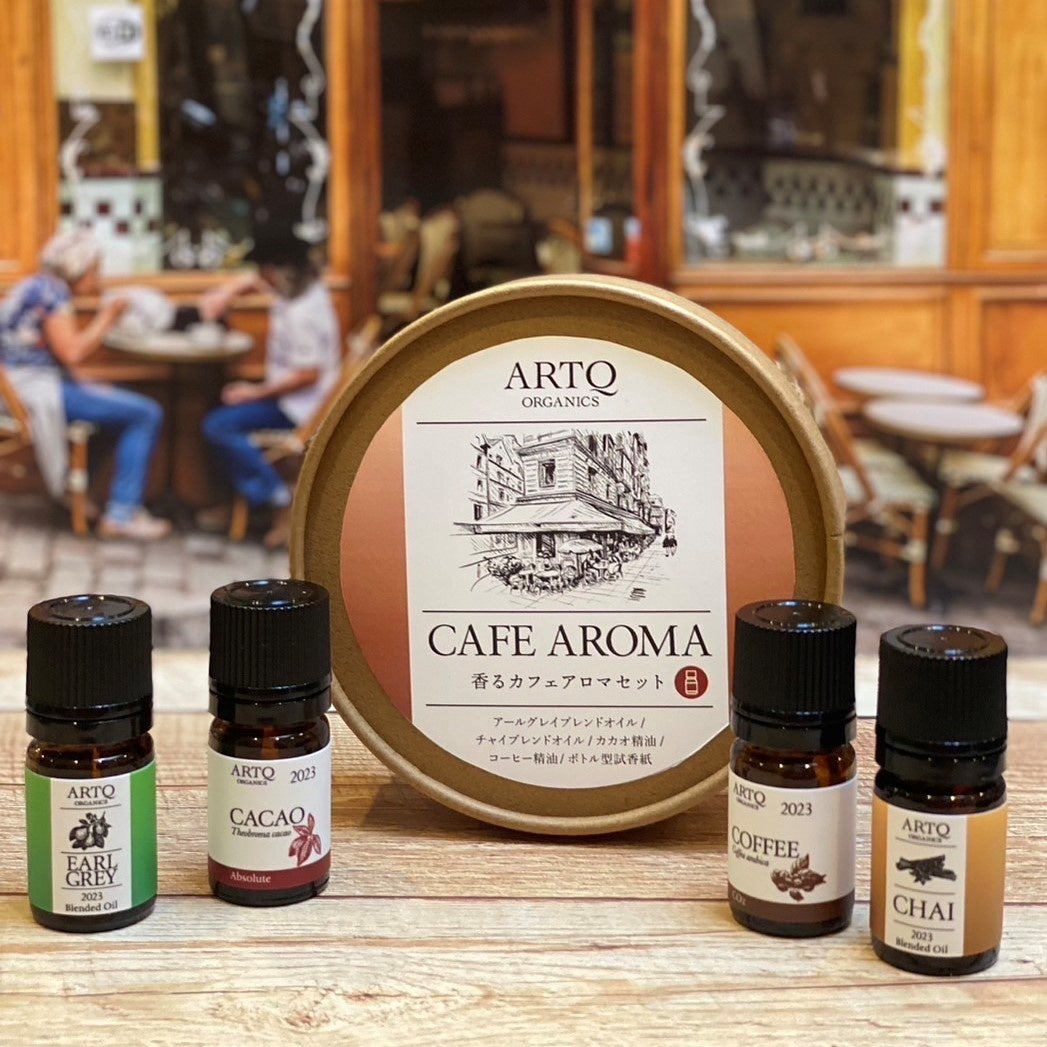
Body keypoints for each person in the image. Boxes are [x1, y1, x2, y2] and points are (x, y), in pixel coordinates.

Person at [0, 230, 170, 539]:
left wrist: (85, 383)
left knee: (116, 413)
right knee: (146, 413)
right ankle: (122, 515)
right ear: (77, 269)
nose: (97, 279)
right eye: (95, 271)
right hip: (34, 394)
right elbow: (72, 352)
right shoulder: (53, 294)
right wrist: (108, 316)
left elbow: (46, 352)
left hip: (17, 390)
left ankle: (78, 495)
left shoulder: (32, 285)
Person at [201, 231, 341, 548]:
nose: (262, 279)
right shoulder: (303, 290)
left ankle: (276, 498)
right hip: (291, 398)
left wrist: (254, 392)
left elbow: (307, 375)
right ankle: (237, 503)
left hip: (300, 407)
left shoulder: (303, 313)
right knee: (217, 408)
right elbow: (255, 281)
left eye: (266, 273)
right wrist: (227, 293)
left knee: (218, 425)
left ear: (278, 272)